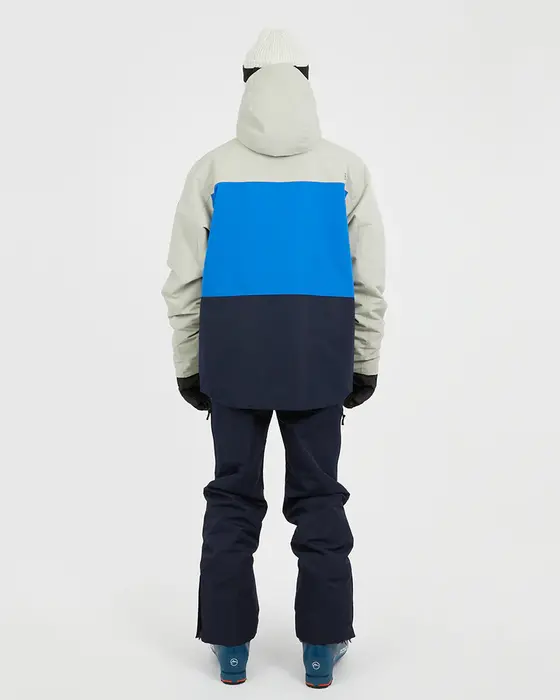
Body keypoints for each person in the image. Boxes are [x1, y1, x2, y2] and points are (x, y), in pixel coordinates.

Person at [162, 28, 387, 688]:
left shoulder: (211, 170)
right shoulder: (346, 170)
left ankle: (230, 645)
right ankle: (321, 647)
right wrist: (364, 361)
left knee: (232, 498)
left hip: (232, 361)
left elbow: (183, 281)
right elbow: (370, 281)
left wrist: (189, 363)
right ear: (307, 81)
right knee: (320, 498)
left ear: (247, 83)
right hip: (318, 359)